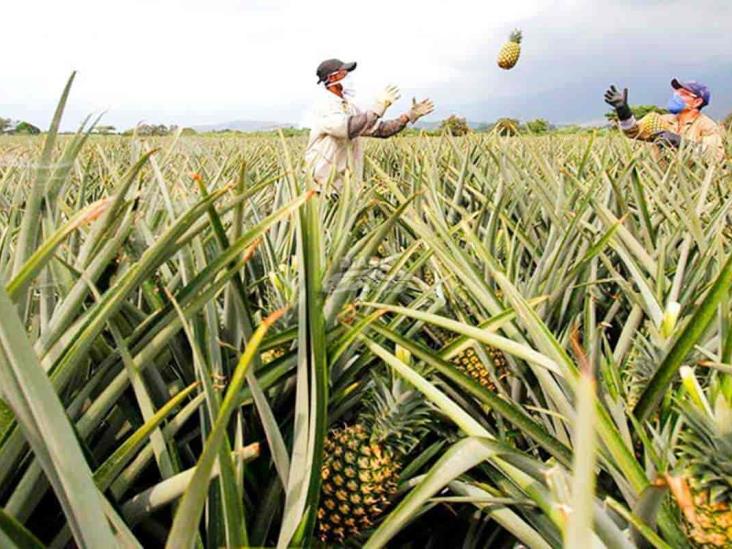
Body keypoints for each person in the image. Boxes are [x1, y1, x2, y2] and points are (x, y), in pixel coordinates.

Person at [304, 58, 434, 195]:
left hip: (345, 187)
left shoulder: (348, 106)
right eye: (344, 73)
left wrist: (408, 116)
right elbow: (347, 128)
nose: (348, 77)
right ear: (332, 77)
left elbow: (380, 129)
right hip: (323, 187)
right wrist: (379, 107)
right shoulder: (325, 105)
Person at [604, 79, 725, 162]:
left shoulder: (707, 126)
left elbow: (716, 156)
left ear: (697, 102)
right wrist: (623, 111)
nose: (675, 96)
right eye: (675, 92)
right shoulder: (661, 120)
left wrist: (682, 143)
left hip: (691, 187)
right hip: (662, 185)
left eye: (682, 93)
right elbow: (633, 131)